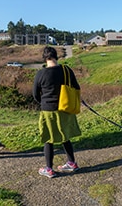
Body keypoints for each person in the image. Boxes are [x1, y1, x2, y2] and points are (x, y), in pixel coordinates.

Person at [33, 46, 81, 178]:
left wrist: (43, 102)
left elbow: (35, 94)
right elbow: (76, 87)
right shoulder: (66, 70)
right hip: (65, 108)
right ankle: (71, 163)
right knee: (65, 136)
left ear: (44, 58)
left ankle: (49, 169)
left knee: (49, 139)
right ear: (56, 56)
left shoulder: (41, 74)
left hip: (48, 110)